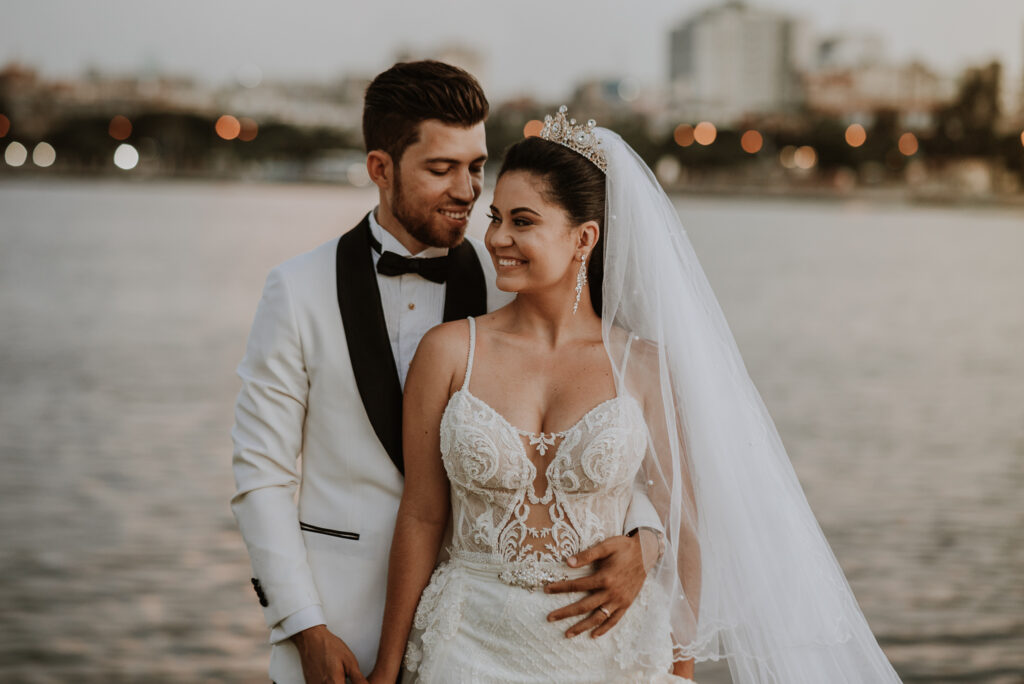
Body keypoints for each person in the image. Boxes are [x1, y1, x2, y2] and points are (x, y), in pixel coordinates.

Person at [367, 109, 904, 683]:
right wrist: (386, 670)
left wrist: (680, 671)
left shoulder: (644, 367)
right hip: (465, 648)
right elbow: (422, 518)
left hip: (608, 656)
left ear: (584, 238)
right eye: (496, 217)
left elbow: (684, 531)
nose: (497, 238)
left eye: (522, 222)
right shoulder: (448, 352)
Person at [231, 64, 662, 684]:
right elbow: (261, 477)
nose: (468, 192)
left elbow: (602, 429)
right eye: (441, 169)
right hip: (340, 630)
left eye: (476, 167)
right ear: (381, 169)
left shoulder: (513, 274)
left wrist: (644, 541)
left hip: (513, 630)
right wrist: (302, 624)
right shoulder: (296, 291)